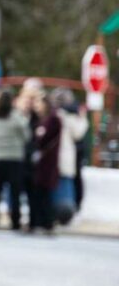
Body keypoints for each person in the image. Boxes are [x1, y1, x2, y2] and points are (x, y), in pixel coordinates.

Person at [0, 90, 30, 230]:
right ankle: (15, 221)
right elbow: (27, 136)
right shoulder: (17, 118)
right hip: (14, 158)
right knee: (15, 193)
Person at [50, 88, 88, 225]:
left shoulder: (51, 115)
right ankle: (65, 216)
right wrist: (83, 118)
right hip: (65, 159)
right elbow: (78, 133)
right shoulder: (68, 117)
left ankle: (55, 214)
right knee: (66, 189)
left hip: (53, 160)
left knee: (55, 188)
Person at [29, 94, 61, 234]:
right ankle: (39, 222)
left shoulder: (53, 119)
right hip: (40, 163)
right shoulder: (39, 119)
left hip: (47, 163)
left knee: (44, 194)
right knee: (38, 193)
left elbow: (45, 138)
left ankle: (47, 223)